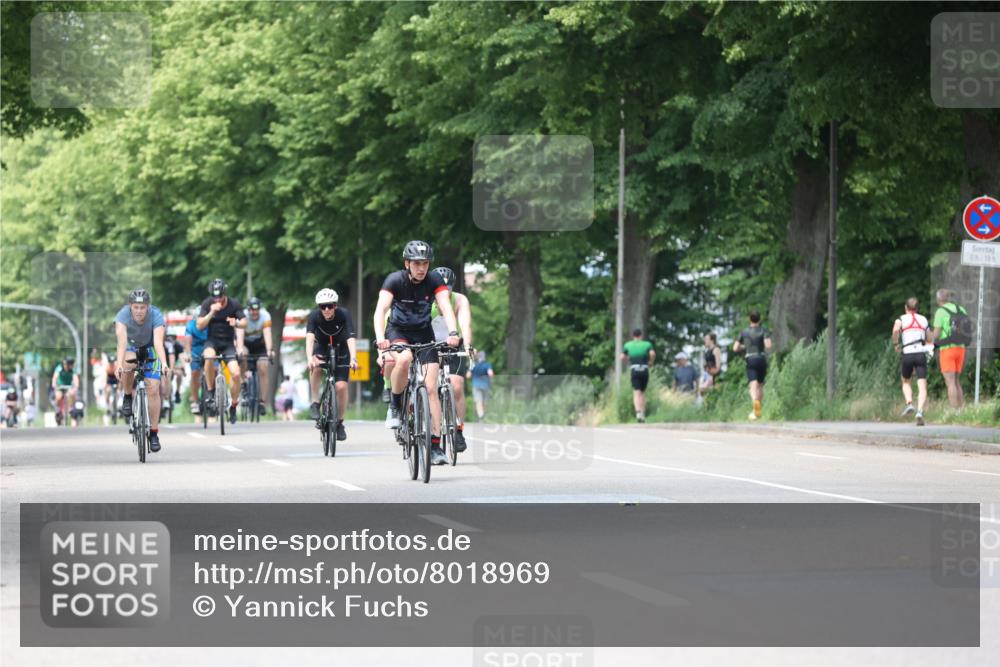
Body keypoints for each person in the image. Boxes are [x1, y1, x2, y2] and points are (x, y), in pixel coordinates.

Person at [374, 240, 460, 466]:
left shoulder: (434, 279)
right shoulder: (394, 280)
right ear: (407, 263)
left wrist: (453, 332)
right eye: (417, 263)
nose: (421, 268)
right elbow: (380, 310)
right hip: (398, 330)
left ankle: (434, 445)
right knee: (404, 359)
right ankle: (395, 404)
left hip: (424, 333)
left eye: (425, 263)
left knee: (431, 388)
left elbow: (445, 306)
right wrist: (380, 339)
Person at [115, 288, 171, 452]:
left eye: (142, 307)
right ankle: (127, 395)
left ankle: (153, 433)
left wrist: (165, 363)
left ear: (148, 307)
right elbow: (122, 343)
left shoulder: (156, 315)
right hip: (131, 347)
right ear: (130, 306)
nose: (139, 311)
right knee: (128, 364)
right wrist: (119, 363)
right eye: (136, 307)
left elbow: (159, 343)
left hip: (150, 348)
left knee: (153, 388)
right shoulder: (122, 315)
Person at [305, 288, 358, 441]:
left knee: (341, 386)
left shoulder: (344, 314)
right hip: (321, 346)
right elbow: (309, 338)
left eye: (330, 306)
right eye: (323, 306)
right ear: (319, 308)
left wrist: (353, 358)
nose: (327, 309)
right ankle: (315, 402)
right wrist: (309, 357)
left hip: (341, 349)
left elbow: (350, 337)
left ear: (335, 306)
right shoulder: (314, 316)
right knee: (315, 365)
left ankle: (340, 422)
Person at [430, 266, 472, 452]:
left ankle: (459, 429)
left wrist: (468, 345)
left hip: (454, 344)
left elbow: (465, 323)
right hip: (430, 344)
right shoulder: (427, 300)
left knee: (456, 385)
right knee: (429, 384)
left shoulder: (460, 300)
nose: (445, 293)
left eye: (448, 289)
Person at [196, 279, 247, 424]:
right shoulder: (207, 303)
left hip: (227, 344)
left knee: (236, 374)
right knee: (209, 357)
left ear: (225, 294)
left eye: (220, 296)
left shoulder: (234, 304)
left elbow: (244, 322)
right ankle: (211, 392)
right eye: (215, 297)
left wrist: (236, 322)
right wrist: (212, 312)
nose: (217, 299)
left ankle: (233, 405)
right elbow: (200, 325)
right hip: (212, 341)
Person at [892, 297, 933, 426]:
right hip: (920, 354)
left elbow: (895, 330)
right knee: (922, 385)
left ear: (906, 308)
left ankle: (909, 403)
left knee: (905, 381)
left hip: (908, 354)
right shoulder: (924, 319)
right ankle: (920, 412)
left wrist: (896, 343)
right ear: (917, 308)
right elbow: (930, 337)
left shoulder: (901, 319)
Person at [931, 288, 970, 409]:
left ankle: (954, 411)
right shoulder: (961, 309)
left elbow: (936, 334)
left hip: (947, 349)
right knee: (957, 381)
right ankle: (961, 410)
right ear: (948, 298)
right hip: (961, 348)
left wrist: (928, 339)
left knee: (950, 382)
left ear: (938, 300)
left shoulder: (940, 312)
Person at [733, 310, 772, 421]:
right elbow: (768, 345)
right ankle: (757, 408)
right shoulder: (764, 330)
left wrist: (744, 347)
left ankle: (755, 402)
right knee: (760, 385)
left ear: (749, 319)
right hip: (761, 358)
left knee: (752, 385)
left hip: (750, 358)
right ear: (759, 319)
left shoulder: (744, 332)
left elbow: (735, 348)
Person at [242, 296, 274, 415]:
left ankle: (262, 401)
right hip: (246, 344)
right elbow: (238, 336)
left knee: (263, 366)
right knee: (242, 354)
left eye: (256, 310)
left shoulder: (265, 316)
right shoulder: (243, 316)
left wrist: (270, 350)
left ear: (259, 309)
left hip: (260, 345)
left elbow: (267, 334)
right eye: (251, 310)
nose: (254, 312)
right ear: (248, 310)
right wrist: (239, 348)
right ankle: (244, 380)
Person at [620, 329, 655, 422]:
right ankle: (643, 414)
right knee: (643, 393)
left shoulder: (627, 345)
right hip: (644, 369)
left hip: (634, 369)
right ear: (641, 335)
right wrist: (650, 362)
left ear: (633, 336)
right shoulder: (647, 344)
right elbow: (652, 353)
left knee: (636, 392)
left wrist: (629, 358)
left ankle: (638, 413)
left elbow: (622, 357)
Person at [185, 309, 209, 415]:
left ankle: (213, 394)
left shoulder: (210, 324)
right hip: (195, 352)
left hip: (209, 349)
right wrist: (188, 354)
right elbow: (187, 341)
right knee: (195, 373)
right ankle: (195, 401)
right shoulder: (190, 326)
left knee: (216, 369)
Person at [50, 357, 79, 426]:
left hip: (69, 386)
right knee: (59, 396)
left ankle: (71, 409)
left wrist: (76, 387)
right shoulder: (59, 368)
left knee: (71, 394)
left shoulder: (73, 369)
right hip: (60, 386)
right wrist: (54, 385)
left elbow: (76, 379)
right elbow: (55, 377)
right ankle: (58, 410)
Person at [468, 350, 494, 421]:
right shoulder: (487, 365)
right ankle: (483, 415)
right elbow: (490, 373)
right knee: (485, 402)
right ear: (484, 357)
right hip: (485, 385)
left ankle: (481, 415)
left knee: (478, 401)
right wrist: (492, 380)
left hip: (476, 385)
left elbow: (468, 375)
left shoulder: (473, 364)